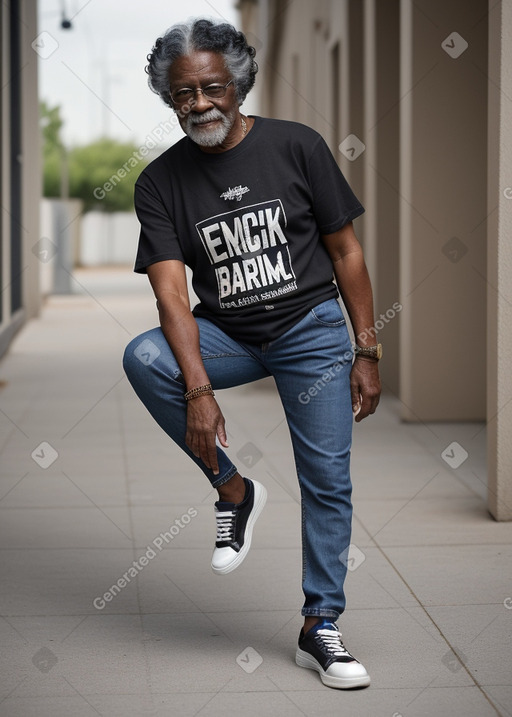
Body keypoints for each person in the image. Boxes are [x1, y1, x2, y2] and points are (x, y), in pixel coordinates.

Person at [123, 17, 381, 690]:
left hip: (310, 328)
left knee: (327, 478)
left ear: (237, 82)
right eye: (183, 93)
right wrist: (200, 390)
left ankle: (319, 623)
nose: (199, 103)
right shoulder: (159, 183)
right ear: (168, 98)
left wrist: (368, 347)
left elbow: (346, 249)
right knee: (145, 358)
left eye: (212, 86)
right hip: (230, 333)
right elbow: (172, 298)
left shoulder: (297, 146)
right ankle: (234, 491)